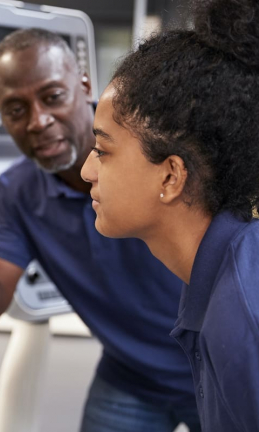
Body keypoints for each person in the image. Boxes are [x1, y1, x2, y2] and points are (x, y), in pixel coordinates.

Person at [0, 29, 200, 431]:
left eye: (52, 97)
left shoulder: (155, 146)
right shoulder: (20, 192)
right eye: (15, 109)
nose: (38, 121)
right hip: (132, 376)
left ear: (83, 86)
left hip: (216, 363)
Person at [81, 0, 259, 430]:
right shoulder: (215, 277)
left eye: (103, 151)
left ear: (171, 176)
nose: (87, 170)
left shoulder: (242, 320)